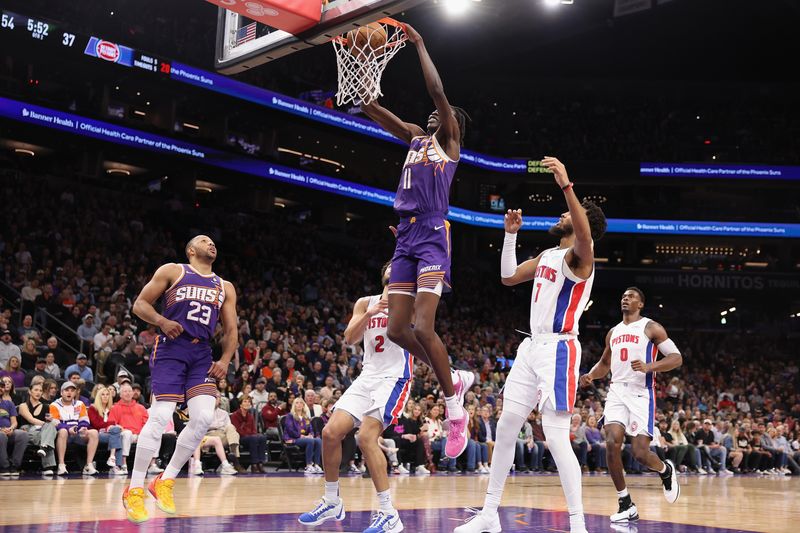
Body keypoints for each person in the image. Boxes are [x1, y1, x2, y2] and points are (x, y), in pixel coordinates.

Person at [456, 159, 607, 533]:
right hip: (531, 348)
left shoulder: (581, 258)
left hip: (559, 349)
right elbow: (508, 277)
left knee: (555, 437)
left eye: (570, 213)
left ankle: (578, 525)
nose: (561, 213)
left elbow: (586, 239)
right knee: (507, 427)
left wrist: (567, 186)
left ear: (582, 223)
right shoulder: (548, 256)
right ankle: (490, 514)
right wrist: (510, 235)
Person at [361, 24, 473, 463]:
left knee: (424, 328)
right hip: (405, 233)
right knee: (395, 329)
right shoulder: (415, 138)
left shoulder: (448, 143)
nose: (431, 118)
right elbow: (372, 107)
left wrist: (420, 45)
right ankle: (452, 377)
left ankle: (454, 408)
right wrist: (362, 64)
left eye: (441, 117)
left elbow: (437, 93)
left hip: (431, 234)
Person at [122, 235, 238, 523]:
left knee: (202, 418)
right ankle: (134, 490)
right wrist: (161, 321)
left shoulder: (225, 286)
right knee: (160, 417)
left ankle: (165, 480)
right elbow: (140, 305)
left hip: (201, 354)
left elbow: (232, 330)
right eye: (203, 240)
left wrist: (224, 360)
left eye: (213, 242)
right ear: (190, 250)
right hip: (171, 348)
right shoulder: (173, 270)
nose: (211, 244)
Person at [299, 262, 415, 533]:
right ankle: (331, 500)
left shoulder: (411, 300)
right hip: (367, 377)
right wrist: (369, 313)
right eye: (389, 264)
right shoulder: (365, 302)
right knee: (330, 433)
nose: (393, 266)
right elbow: (350, 337)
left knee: (365, 437)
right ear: (383, 273)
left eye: (399, 264)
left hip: (394, 377)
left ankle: (388, 513)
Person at [579, 287, 683, 523]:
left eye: (631, 296)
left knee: (639, 453)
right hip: (616, 390)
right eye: (623, 296)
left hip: (640, 393)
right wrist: (592, 375)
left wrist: (649, 366)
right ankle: (625, 502)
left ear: (641, 304)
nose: (625, 298)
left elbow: (676, 358)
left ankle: (665, 471)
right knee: (611, 442)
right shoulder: (613, 332)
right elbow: (605, 363)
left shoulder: (651, 327)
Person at [50, 381, 100, 475]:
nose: (69, 393)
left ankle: (88, 465)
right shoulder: (54, 405)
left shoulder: (80, 404)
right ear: (61, 392)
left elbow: (84, 419)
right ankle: (61, 465)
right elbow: (55, 422)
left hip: (77, 432)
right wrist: (69, 429)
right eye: (67, 390)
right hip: (63, 434)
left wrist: (82, 427)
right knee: (63, 431)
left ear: (75, 393)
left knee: (94, 432)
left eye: (72, 390)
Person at [17, 381, 58, 474]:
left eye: (40, 390)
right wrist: (47, 425)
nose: (38, 392)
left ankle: (44, 448)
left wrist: (51, 421)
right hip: (27, 429)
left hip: (41, 431)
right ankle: (48, 466)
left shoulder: (46, 406)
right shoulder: (23, 406)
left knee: (47, 431)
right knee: (48, 434)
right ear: (29, 391)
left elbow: (52, 422)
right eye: (36, 390)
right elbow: (31, 419)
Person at [88, 385, 127, 475]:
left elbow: (116, 422)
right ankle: (115, 465)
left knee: (118, 435)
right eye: (103, 394)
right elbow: (97, 424)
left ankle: (113, 461)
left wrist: (113, 426)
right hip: (97, 434)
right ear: (98, 396)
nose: (105, 396)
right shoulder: (92, 408)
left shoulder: (112, 409)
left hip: (111, 433)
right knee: (116, 433)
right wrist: (112, 425)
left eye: (107, 395)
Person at [284, 397, 322, 475]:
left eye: (301, 403)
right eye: (297, 403)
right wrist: (301, 436)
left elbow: (310, 428)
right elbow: (290, 430)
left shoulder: (305, 417)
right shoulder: (290, 416)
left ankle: (317, 465)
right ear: (294, 405)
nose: (299, 404)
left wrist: (311, 434)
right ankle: (308, 465)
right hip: (293, 438)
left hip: (304, 438)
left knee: (318, 440)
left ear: (303, 405)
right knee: (310, 441)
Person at [0, 378, 31, 475]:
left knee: (23, 434)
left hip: (9, 430)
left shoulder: (9, 403)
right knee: (1, 436)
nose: (0, 388)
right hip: (1, 433)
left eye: (2, 387)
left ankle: (15, 465)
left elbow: (14, 422)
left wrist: (11, 428)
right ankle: (4, 466)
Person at [231, 396, 268, 473]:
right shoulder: (235, 415)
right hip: (240, 437)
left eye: (249, 402)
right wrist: (251, 435)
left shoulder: (250, 416)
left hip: (250, 437)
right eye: (245, 401)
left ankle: (260, 463)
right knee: (253, 438)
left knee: (262, 437)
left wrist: (254, 434)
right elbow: (237, 430)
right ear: (240, 404)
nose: (247, 403)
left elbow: (254, 430)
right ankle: (254, 464)